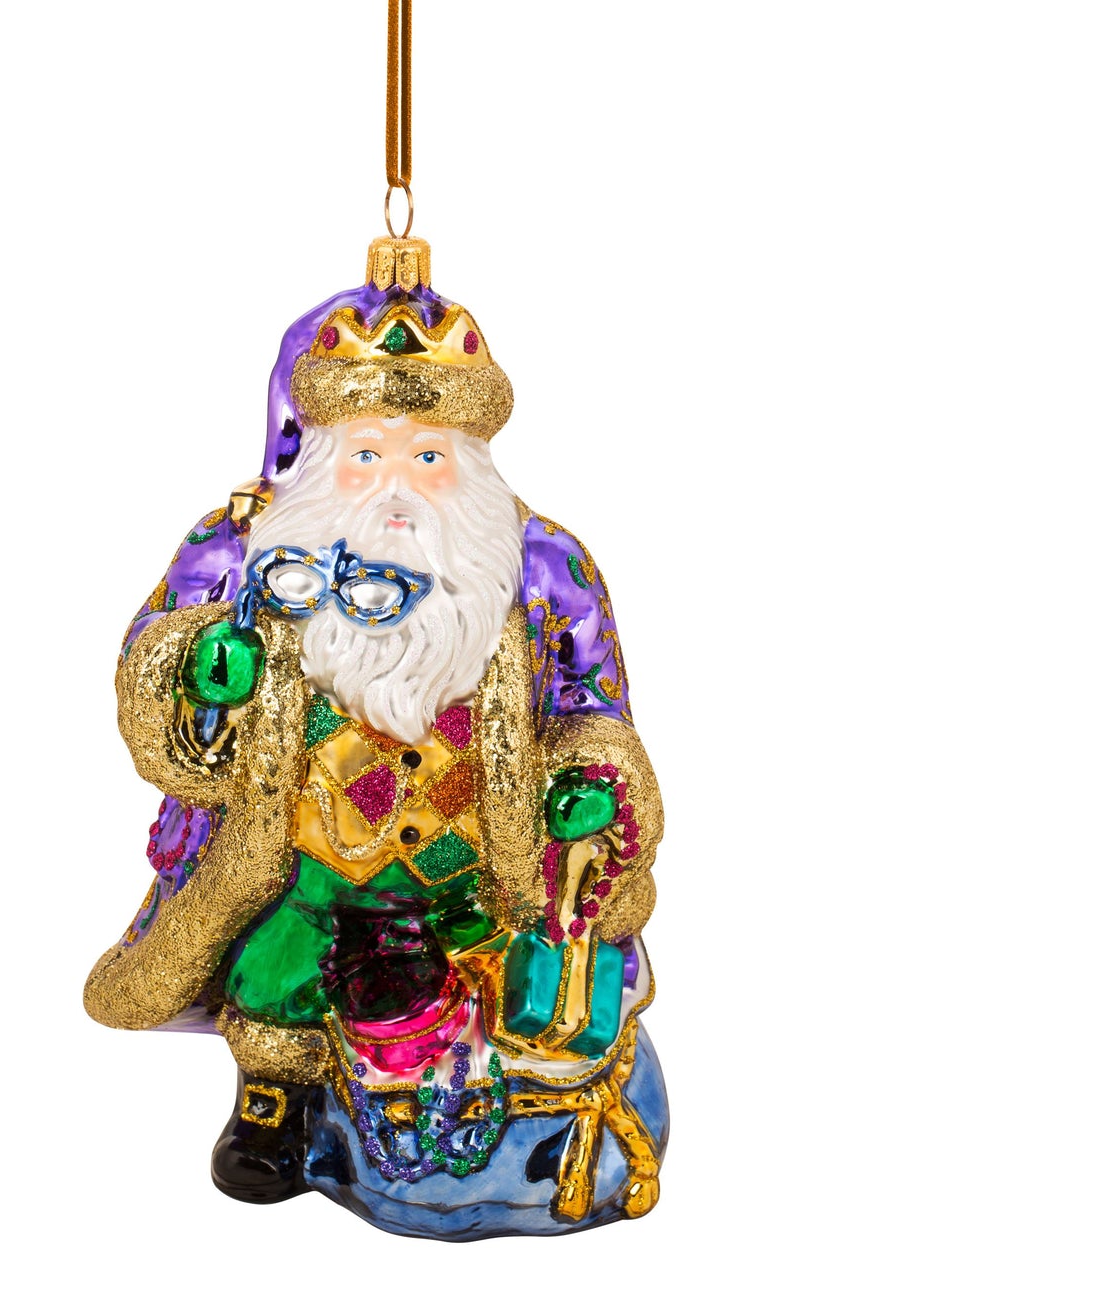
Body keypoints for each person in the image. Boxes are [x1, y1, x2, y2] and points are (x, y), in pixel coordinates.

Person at [86, 237, 670, 1239]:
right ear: (324, 459)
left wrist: (586, 781)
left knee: (502, 988)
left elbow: (593, 704)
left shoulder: (540, 565)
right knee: (277, 967)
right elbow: (158, 670)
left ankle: (498, 1125)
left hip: (473, 867)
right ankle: (273, 1109)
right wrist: (201, 675)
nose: (397, 486)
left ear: (469, 465)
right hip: (307, 861)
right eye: (367, 454)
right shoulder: (244, 550)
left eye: (428, 457)